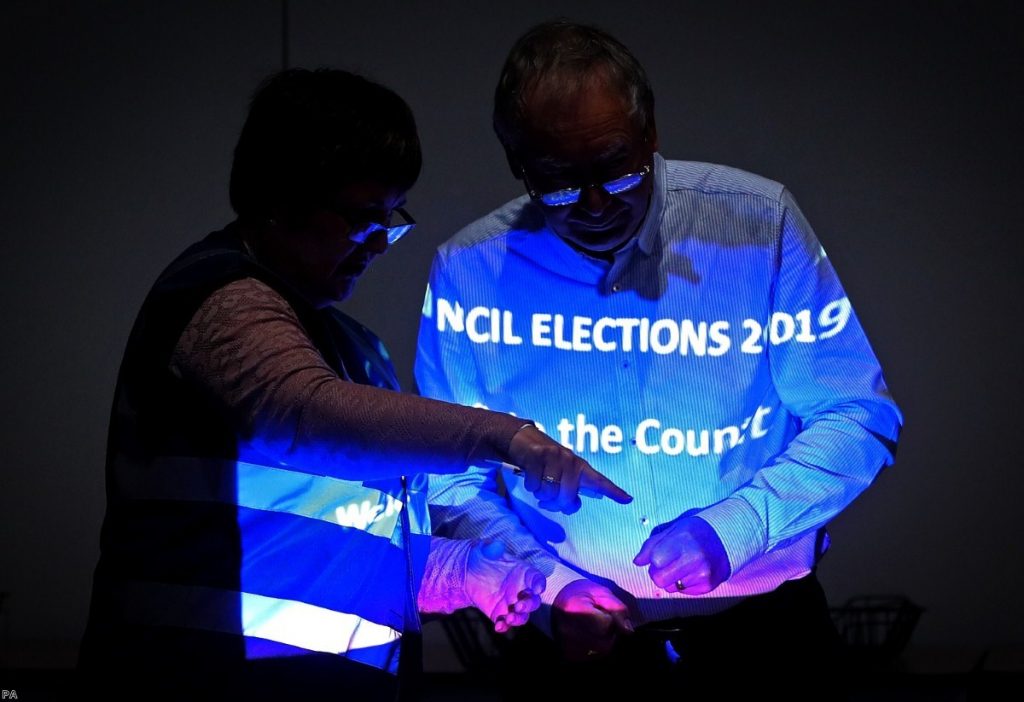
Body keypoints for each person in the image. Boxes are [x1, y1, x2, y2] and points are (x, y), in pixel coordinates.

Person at [79, 67, 630, 701]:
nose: (377, 244)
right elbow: (303, 415)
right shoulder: (215, 297)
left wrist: (475, 574)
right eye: (362, 217)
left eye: (390, 220)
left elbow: (343, 552)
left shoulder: (356, 350)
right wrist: (505, 437)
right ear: (279, 199)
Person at [416, 20, 903, 692]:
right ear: (518, 165)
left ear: (651, 136)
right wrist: (548, 582)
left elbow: (859, 416)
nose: (593, 204)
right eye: (557, 180)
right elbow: (450, 475)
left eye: (617, 167)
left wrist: (733, 529)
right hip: (567, 649)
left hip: (764, 640)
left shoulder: (759, 227)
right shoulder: (468, 270)